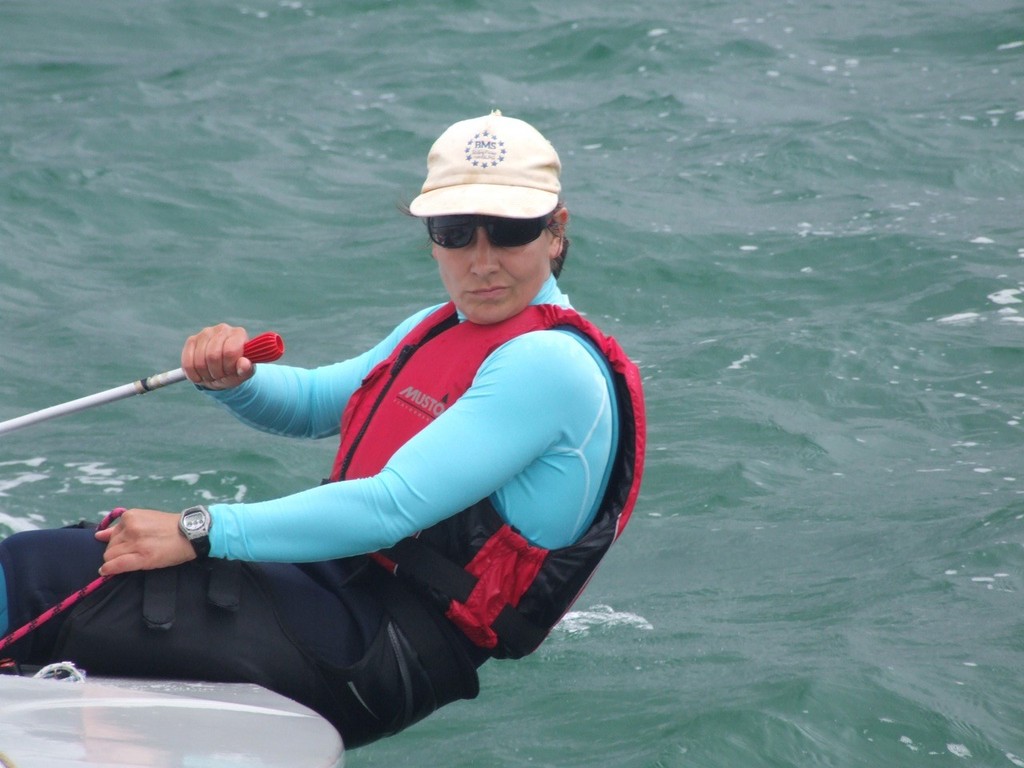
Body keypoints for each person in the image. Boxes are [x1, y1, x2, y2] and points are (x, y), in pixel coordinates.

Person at [0, 110, 646, 748]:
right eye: (455, 231)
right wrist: (236, 379)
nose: (481, 261)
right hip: (333, 586)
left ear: (555, 232)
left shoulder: (550, 364)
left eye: (508, 231)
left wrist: (198, 529)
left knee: (48, 576)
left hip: (382, 644)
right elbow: (316, 403)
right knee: (69, 560)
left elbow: (392, 506)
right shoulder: (447, 324)